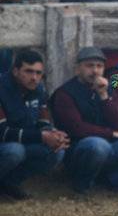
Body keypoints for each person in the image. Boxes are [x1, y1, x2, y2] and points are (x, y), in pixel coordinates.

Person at [51, 47, 118, 194]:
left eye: (99, 66)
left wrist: (104, 95)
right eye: (89, 66)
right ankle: (82, 182)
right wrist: (112, 134)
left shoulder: (105, 88)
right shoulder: (65, 94)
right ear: (78, 69)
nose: (95, 71)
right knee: (97, 145)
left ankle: (112, 181)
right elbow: (76, 128)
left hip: (108, 145)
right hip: (78, 149)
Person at [0, 50, 68, 200]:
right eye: (29, 71)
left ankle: (8, 184)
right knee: (14, 151)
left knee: (56, 151)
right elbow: (2, 132)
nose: (34, 78)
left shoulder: (39, 90)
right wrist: (42, 136)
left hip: (22, 142)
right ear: (15, 71)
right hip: (5, 145)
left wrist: (53, 134)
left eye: (38, 73)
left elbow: (42, 122)